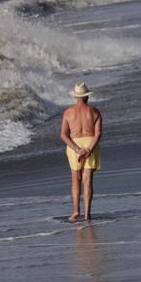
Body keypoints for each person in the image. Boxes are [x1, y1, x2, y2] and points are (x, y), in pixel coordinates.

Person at [60, 82, 102, 222]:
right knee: (87, 180)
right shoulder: (95, 111)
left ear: (76, 97)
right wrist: (89, 149)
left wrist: (77, 149)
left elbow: (63, 135)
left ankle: (76, 211)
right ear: (87, 97)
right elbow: (98, 134)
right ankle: (87, 214)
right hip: (91, 143)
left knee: (75, 179)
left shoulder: (68, 112)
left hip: (75, 145)